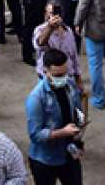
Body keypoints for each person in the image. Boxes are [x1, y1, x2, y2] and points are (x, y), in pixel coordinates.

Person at [25, 48, 85, 185]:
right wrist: (63, 132)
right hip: (45, 160)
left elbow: (77, 110)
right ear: (45, 71)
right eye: (57, 75)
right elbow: (35, 135)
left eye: (65, 73)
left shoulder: (69, 85)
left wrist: (78, 130)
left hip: (69, 154)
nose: (63, 78)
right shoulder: (36, 98)